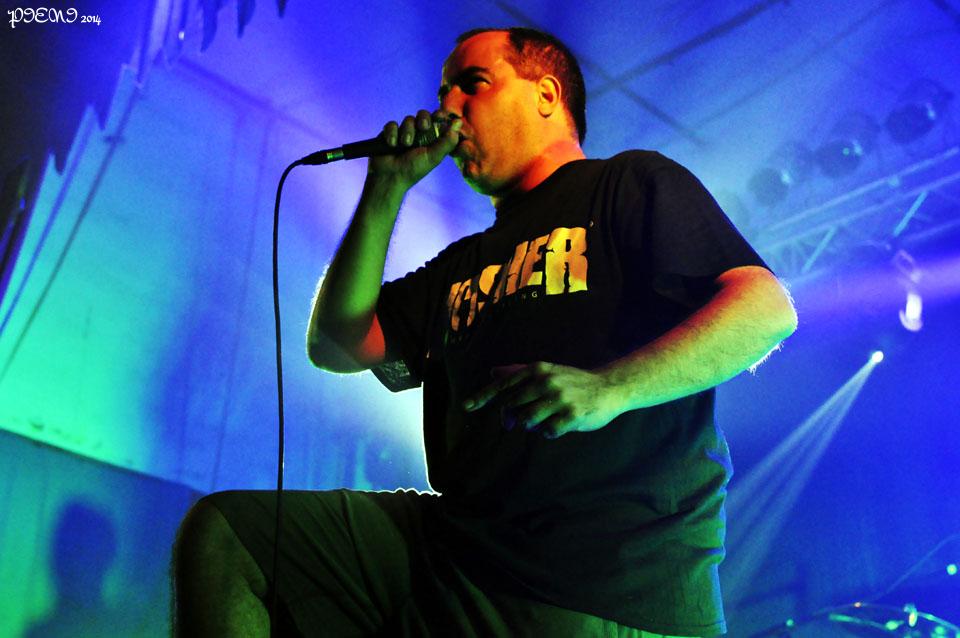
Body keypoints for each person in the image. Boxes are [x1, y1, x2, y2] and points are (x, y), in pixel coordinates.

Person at [173, 27, 797, 637]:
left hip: (604, 572)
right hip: (455, 549)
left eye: (473, 84)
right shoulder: (459, 263)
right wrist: (385, 188)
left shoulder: (627, 184)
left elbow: (766, 308)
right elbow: (336, 342)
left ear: (547, 95)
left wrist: (610, 388)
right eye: (444, 91)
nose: (448, 106)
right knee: (230, 535)